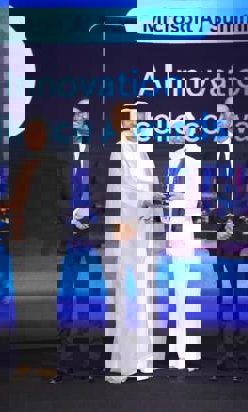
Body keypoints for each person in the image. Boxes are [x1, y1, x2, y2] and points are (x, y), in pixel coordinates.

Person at [104, 102, 165, 384]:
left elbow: (150, 188)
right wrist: (145, 201)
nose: (136, 124)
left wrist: (155, 201)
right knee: (125, 294)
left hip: (142, 233)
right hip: (125, 231)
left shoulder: (143, 153)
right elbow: (116, 195)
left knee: (143, 295)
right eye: (131, 120)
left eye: (139, 120)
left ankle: (142, 360)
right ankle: (124, 362)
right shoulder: (115, 153)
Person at [50, 99, 107, 384]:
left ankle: (92, 365)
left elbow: (105, 193)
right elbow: (52, 198)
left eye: (84, 116)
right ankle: (64, 365)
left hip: (92, 238)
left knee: (92, 302)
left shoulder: (99, 155)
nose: (79, 121)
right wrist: (71, 215)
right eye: (75, 117)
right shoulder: (60, 157)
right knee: (66, 303)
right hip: (70, 239)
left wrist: (89, 214)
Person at [205, 98, 248, 383]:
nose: (222, 121)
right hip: (222, 238)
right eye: (218, 118)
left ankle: (240, 358)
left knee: (238, 297)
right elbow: (207, 198)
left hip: (239, 237)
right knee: (223, 296)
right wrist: (219, 224)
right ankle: (222, 358)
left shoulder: (243, 155)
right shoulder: (212, 157)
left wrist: (236, 217)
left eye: (225, 116)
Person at [161, 124, 203, 373]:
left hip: (185, 236)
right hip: (175, 237)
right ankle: (178, 354)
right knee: (176, 297)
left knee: (185, 296)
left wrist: (175, 204)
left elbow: (193, 203)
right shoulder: (172, 165)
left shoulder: (190, 163)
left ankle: (186, 354)